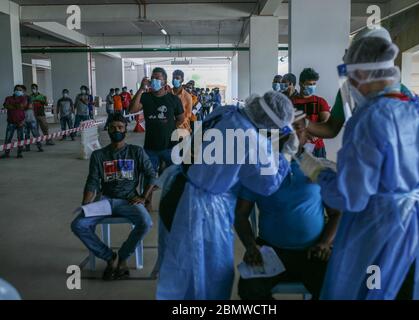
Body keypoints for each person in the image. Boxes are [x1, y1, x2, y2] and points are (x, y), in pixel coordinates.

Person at [299, 34, 419, 300]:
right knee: (406, 288)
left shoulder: (369, 119)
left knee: (372, 287)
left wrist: (319, 172)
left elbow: (349, 197)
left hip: (378, 229)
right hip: (417, 226)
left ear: (364, 75)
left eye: (352, 77)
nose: (351, 85)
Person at [156, 91, 298, 300]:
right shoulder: (250, 138)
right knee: (207, 275)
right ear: (270, 125)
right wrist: (287, 151)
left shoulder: (226, 112)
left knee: (182, 267)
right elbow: (268, 184)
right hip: (199, 209)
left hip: (178, 189)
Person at [235, 117, 341, 300]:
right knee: (249, 290)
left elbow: (336, 213)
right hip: (270, 251)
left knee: (334, 288)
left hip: (312, 250)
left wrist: (325, 242)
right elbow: (241, 214)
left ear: (307, 136)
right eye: (283, 130)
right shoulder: (259, 170)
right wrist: (251, 246)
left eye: (296, 130)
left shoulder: (320, 170)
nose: (290, 135)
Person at [71, 113, 157, 280]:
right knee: (78, 224)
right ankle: (111, 257)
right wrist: (86, 206)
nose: (117, 130)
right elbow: (92, 182)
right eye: (113, 128)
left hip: (130, 201)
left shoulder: (136, 151)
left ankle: (123, 257)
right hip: (105, 201)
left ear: (125, 130)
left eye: (120, 127)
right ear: (108, 130)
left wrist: (144, 197)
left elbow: (152, 175)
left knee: (146, 222)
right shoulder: (99, 155)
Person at [306, 27, 414, 140]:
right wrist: (305, 124)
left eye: (356, 73)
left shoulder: (404, 99)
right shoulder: (348, 91)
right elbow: (332, 128)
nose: (352, 80)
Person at [129, 68, 184, 176]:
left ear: (165, 81)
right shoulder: (145, 97)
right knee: (148, 178)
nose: (154, 80)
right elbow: (132, 109)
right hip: (151, 147)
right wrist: (141, 89)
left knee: (172, 179)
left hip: (170, 147)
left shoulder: (173, 99)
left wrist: (169, 128)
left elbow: (180, 118)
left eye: (157, 78)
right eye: (152, 78)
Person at [291, 68, 330, 158]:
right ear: (301, 83)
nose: (312, 86)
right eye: (309, 84)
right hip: (296, 147)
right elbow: (287, 123)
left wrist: (315, 134)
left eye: (314, 84)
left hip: (317, 148)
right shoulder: (291, 102)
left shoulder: (320, 101)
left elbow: (327, 124)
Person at [1, 85, 27, 159]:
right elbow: (6, 105)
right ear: (14, 90)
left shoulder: (23, 98)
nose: (18, 91)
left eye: (20, 90)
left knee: (20, 138)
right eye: (17, 89)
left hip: (20, 121)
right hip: (11, 121)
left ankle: (19, 153)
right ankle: (6, 153)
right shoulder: (8, 98)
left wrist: (11, 105)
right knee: (8, 138)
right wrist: (16, 105)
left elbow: (22, 106)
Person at [21, 85, 43, 152]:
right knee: (26, 134)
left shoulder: (28, 97)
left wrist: (20, 107)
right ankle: (27, 148)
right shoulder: (19, 98)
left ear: (24, 91)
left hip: (31, 118)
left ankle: (40, 147)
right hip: (24, 119)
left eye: (20, 90)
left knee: (35, 133)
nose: (19, 92)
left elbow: (30, 106)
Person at [171, 69, 193, 134]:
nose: (175, 80)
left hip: (182, 129)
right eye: (173, 78)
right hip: (168, 128)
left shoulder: (187, 96)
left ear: (182, 80)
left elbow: (188, 115)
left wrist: (176, 124)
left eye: (177, 78)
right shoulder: (167, 94)